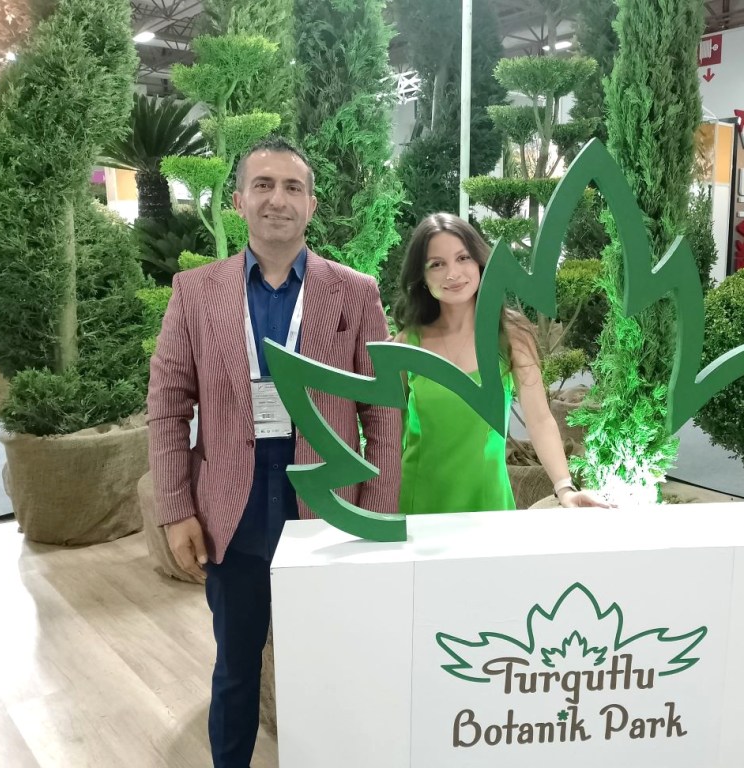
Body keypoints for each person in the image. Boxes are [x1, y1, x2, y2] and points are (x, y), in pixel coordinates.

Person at [147, 137, 400, 768]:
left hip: (328, 513)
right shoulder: (195, 292)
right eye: (262, 185)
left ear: (311, 204)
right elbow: (168, 405)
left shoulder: (354, 293)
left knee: (328, 666)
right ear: (238, 200)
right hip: (230, 514)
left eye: (292, 187)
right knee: (235, 668)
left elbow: (383, 409)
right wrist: (176, 509)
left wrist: (375, 514)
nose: (277, 199)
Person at [392, 212, 610, 513]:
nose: (452, 273)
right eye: (437, 264)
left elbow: (539, 419)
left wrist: (565, 488)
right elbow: (390, 430)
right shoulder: (407, 343)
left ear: (480, 262)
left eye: (463, 258)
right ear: (422, 276)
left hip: (488, 503)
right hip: (416, 503)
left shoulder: (511, 335)